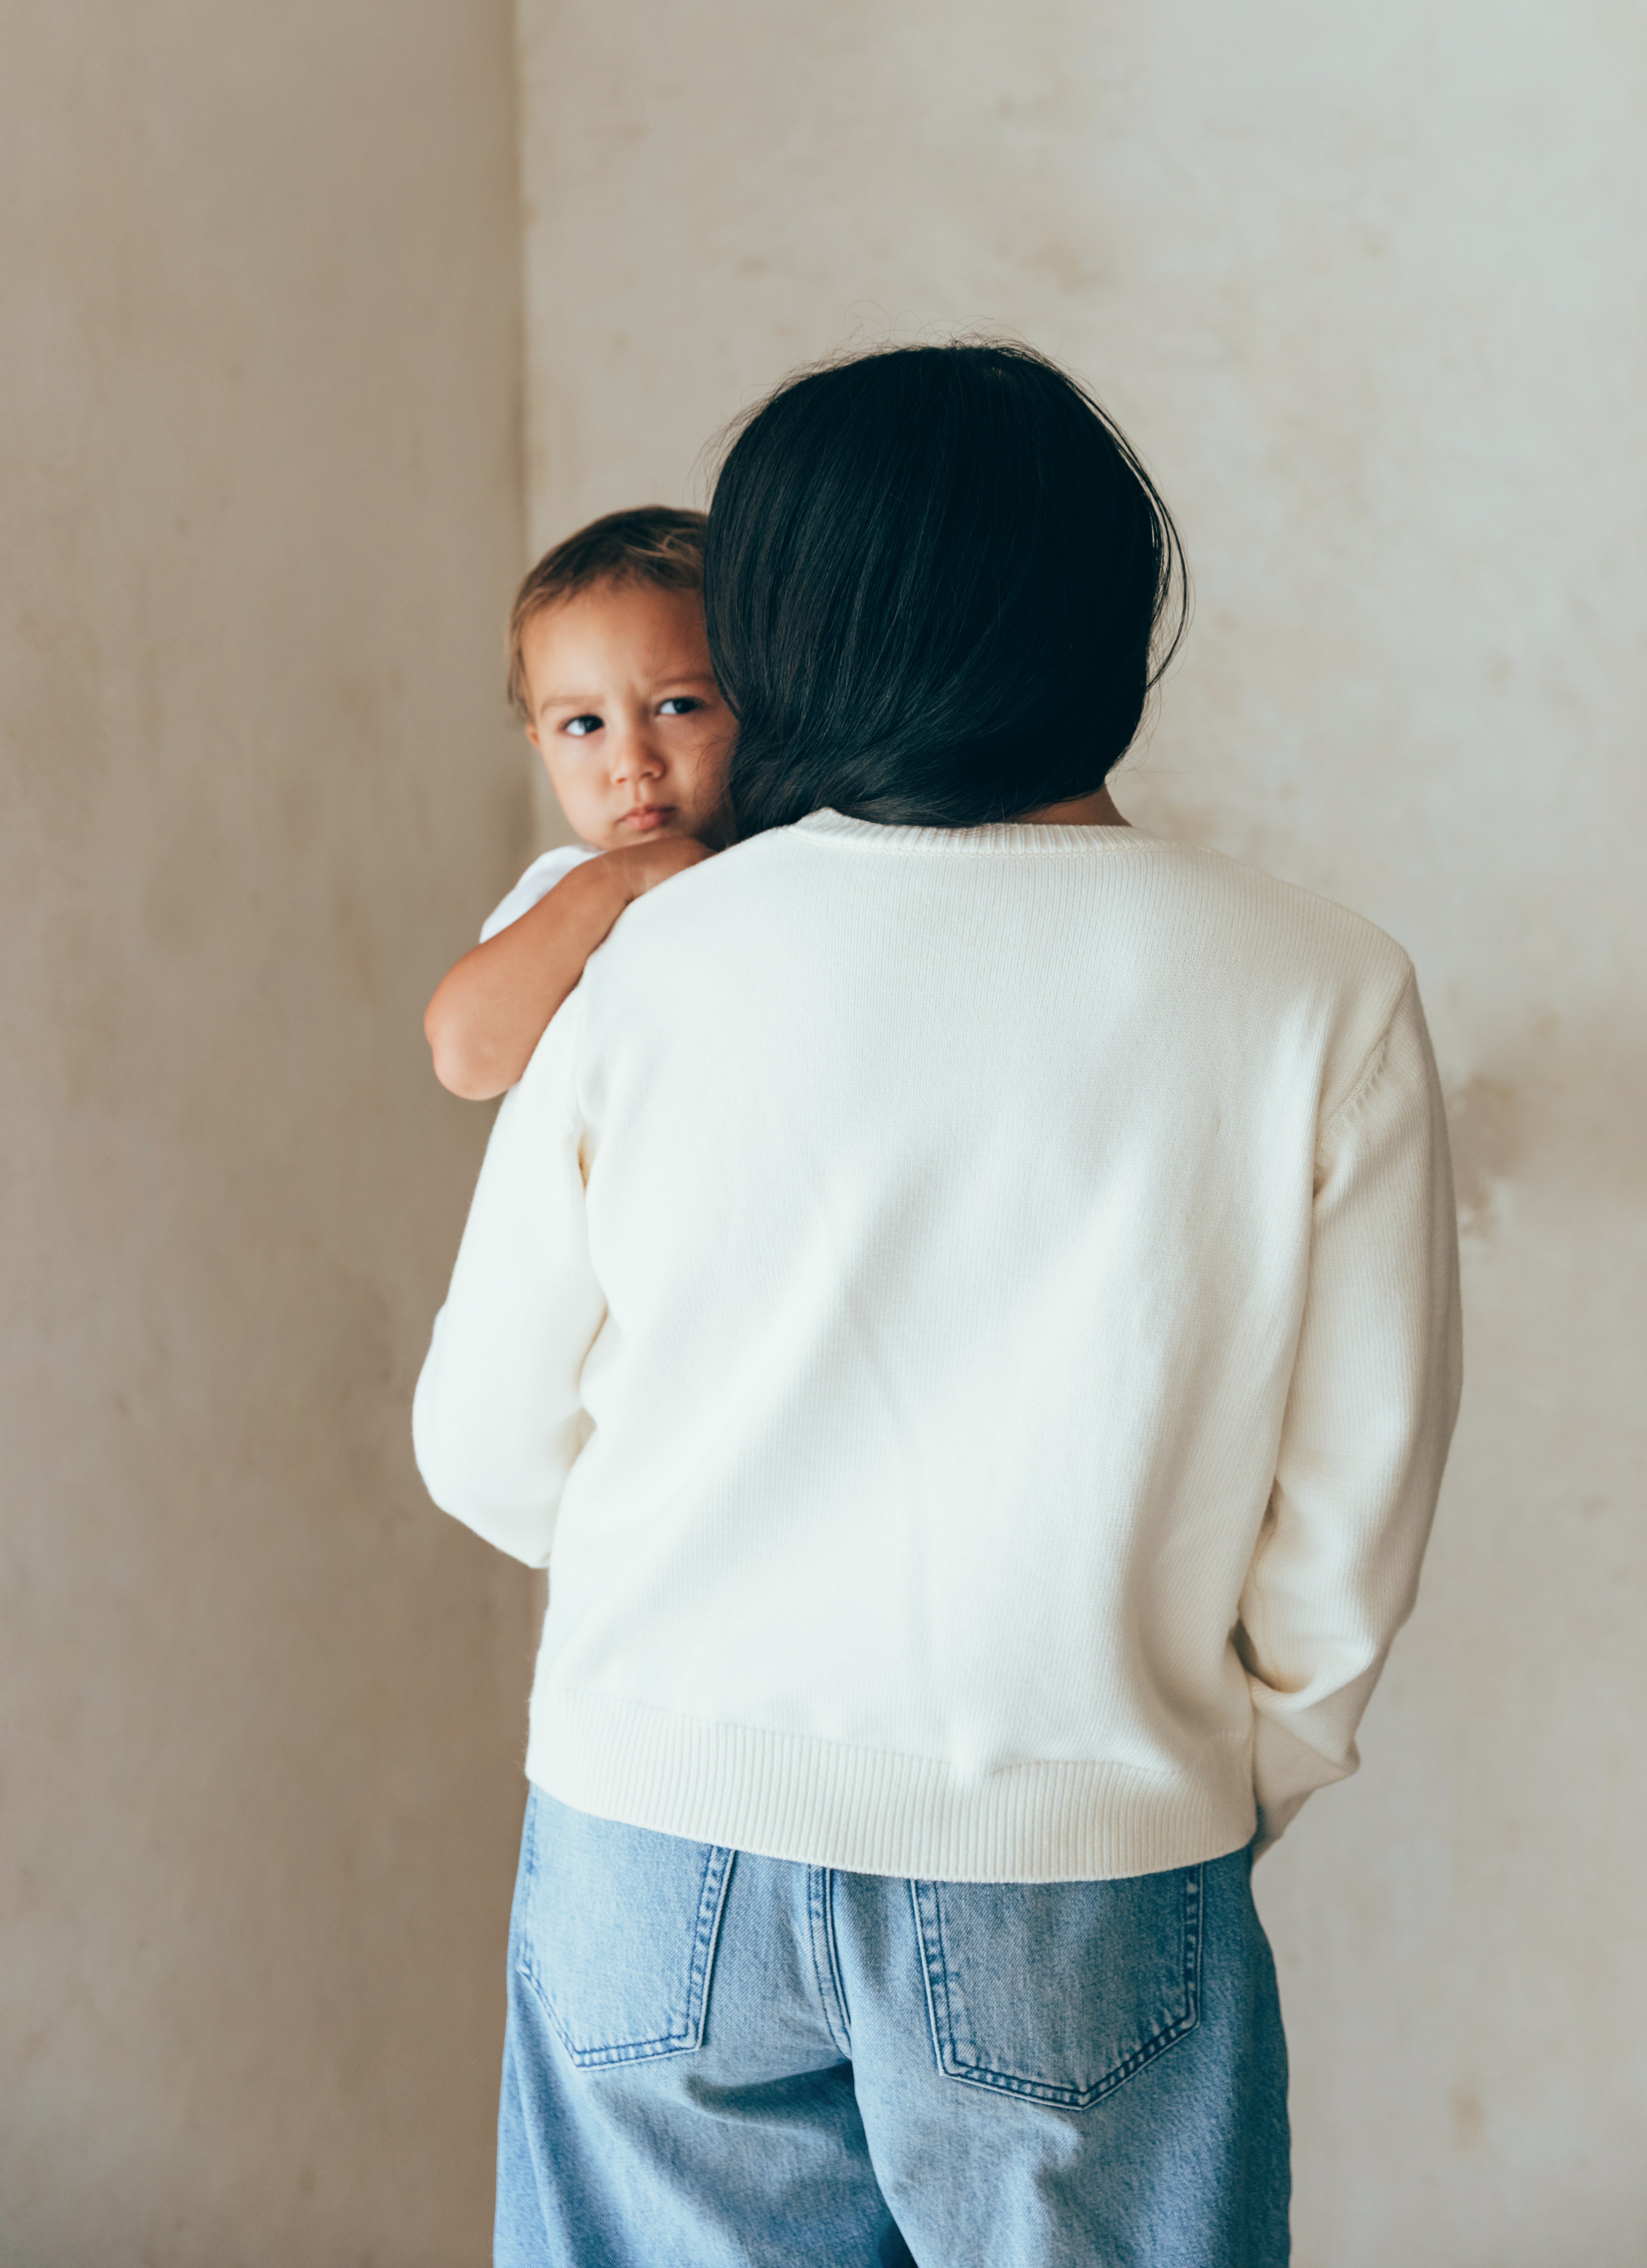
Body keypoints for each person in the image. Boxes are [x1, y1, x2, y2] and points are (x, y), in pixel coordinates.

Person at [414, 341, 1462, 2268]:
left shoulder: (648, 951)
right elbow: (1353, 1501)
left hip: (654, 1830)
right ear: (1109, 611)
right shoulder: (1318, 987)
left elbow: (481, 1444)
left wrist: (709, 1576)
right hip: (1081, 1839)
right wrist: (1226, 1765)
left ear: (782, 627)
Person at [423, 505, 733, 1101]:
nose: (632, 762)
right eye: (586, 723)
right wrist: (616, 880)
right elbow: (465, 1059)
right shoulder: (568, 889)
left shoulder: (789, 850)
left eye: (677, 706)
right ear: (541, 747)